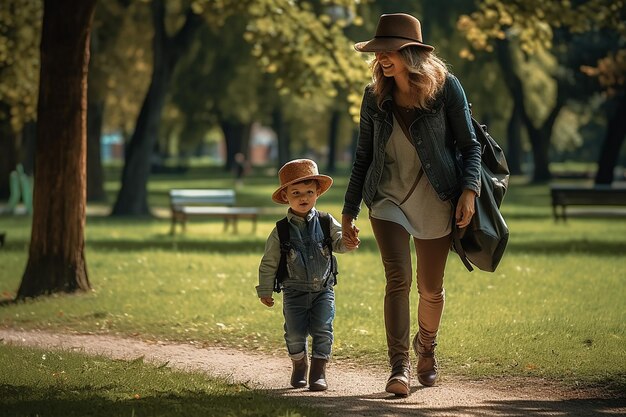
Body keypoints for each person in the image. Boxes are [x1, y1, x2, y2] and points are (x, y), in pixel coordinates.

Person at [341, 13, 481, 396]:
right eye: (378, 51)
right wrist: (349, 210)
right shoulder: (374, 96)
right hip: (387, 198)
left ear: (412, 53)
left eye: (390, 51)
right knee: (397, 280)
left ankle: (428, 348)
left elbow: (471, 147)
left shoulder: (446, 88)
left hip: (437, 197)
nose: (382, 58)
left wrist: (469, 191)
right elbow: (363, 156)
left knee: (430, 288)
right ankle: (398, 366)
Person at [257, 158, 355, 391]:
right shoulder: (280, 231)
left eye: (309, 192)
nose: (303, 197)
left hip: (323, 290)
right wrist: (265, 289)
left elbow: (339, 244)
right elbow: (269, 262)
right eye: (296, 192)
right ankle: (300, 365)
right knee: (294, 333)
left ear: (317, 193)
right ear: (286, 197)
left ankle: (319, 373)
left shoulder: (325, 221)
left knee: (323, 329)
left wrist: (349, 241)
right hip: (294, 292)